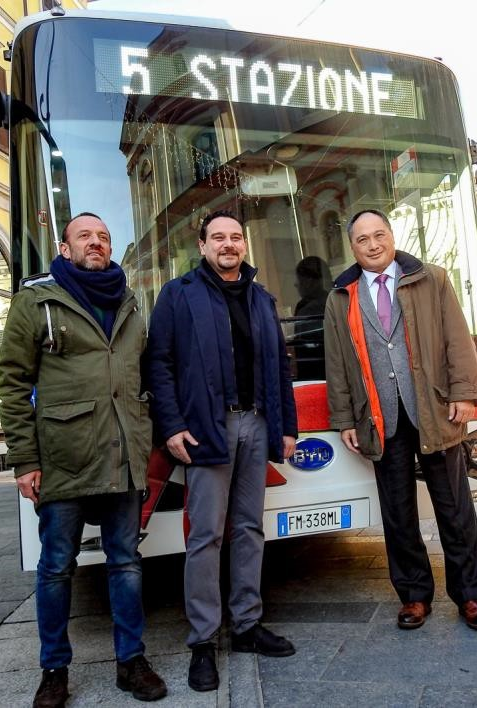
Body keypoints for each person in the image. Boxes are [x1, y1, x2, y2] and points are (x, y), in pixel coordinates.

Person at [0, 213, 167, 707]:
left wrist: (146, 436)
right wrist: (24, 459)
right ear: (64, 247)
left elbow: (143, 376)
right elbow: (12, 384)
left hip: (123, 456)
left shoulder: (128, 301)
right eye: (85, 236)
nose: (96, 243)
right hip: (63, 457)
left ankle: (131, 661)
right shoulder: (36, 301)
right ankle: (54, 670)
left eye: (104, 237)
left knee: (126, 562)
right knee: (56, 566)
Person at [146, 210, 299, 692]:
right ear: (203, 245)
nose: (228, 244)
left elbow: (280, 366)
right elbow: (159, 364)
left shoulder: (261, 298)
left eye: (235, 237)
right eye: (218, 237)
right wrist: (171, 426)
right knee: (206, 536)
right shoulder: (178, 295)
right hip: (206, 429)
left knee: (250, 528)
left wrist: (286, 427)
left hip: (257, 423)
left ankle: (247, 625)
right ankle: (203, 642)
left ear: (244, 245)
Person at [323, 209, 477, 632]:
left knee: (454, 509)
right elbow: (337, 363)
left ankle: (470, 596)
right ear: (352, 246)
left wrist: (464, 392)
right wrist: (345, 418)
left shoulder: (431, 279)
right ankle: (414, 596)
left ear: (392, 235)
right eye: (363, 239)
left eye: (379, 234)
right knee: (397, 514)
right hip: (380, 419)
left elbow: (457, 338)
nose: (373, 244)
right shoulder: (340, 296)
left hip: (435, 409)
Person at [292, 255, 332, 380]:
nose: (296, 284)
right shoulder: (332, 300)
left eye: (299, 279)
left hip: (314, 375)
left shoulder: (308, 309)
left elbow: (305, 346)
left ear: (309, 281)